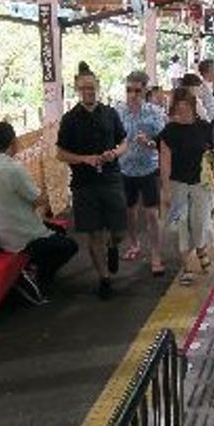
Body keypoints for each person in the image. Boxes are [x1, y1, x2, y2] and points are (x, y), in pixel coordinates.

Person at [0, 122, 78, 302]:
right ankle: (39, 278)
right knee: (69, 246)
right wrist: (50, 194)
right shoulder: (12, 169)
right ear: (13, 142)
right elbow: (37, 199)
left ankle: (35, 269)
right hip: (20, 236)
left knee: (58, 232)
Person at [57, 62, 128, 300]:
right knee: (94, 233)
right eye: (83, 88)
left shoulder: (110, 113)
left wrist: (115, 153)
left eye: (92, 87)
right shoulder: (69, 120)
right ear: (77, 90)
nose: (89, 91)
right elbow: (60, 153)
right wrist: (83, 159)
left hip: (111, 178)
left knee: (119, 229)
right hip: (84, 184)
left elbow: (124, 142)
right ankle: (104, 279)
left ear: (98, 87)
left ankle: (113, 245)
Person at [159, 87, 214, 286]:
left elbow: (210, 153)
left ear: (193, 107)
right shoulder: (169, 132)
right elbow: (165, 162)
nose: (181, 113)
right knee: (181, 224)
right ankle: (186, 266)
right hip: (178, 183)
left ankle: (200, 248)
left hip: (201, 183)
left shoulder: (205, 128)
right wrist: (166, 190)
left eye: (185, 109)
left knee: (200, 221)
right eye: (178, 109)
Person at [116, 70, 166, 275]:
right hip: (125, 169)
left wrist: (150, 142)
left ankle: (155, 253)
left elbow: (163, 142)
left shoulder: (154, 112)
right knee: (129, 211)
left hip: (148, 168)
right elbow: (113, 137)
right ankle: (134, 243)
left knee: (152, 214)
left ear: (145, 91)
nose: (132, 94)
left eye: (137, 90)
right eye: (129, 90)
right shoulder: (118, 112)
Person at [197, 59, 214, 126]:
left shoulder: (210, 87)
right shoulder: (202, 89)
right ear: (206, 73)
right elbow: (208, 114)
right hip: (207, 126)